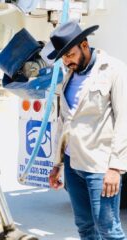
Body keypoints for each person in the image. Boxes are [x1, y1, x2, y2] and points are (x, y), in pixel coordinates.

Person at [48, 20, 127, 240]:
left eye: (70, 55)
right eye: (63, 57)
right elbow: (65, 123)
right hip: (74, 167)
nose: (67, 61)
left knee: (109, 230)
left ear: (85, 45)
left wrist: (115, 168)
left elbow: (124, 120)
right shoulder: (68, 77)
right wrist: (58, 164)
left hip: (99, 167)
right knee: (85, 228)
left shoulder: (113, 69)